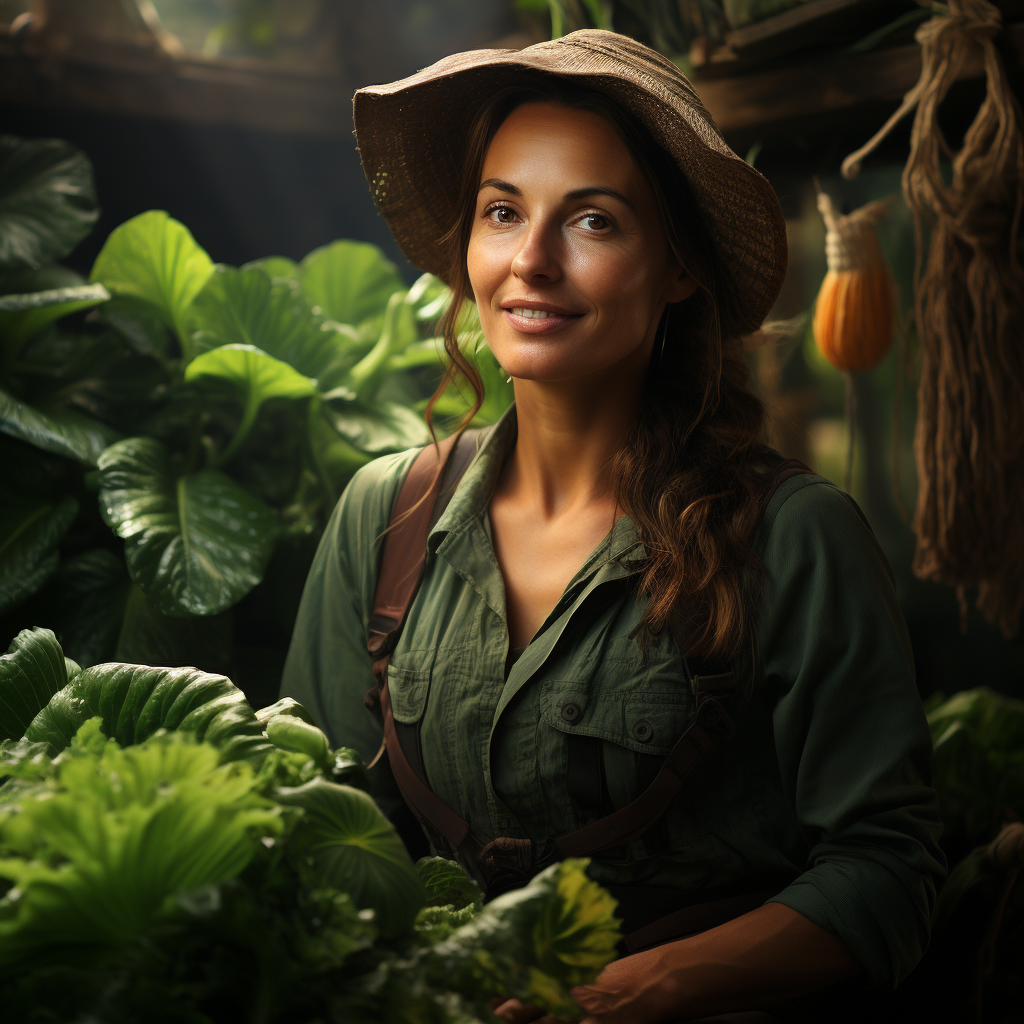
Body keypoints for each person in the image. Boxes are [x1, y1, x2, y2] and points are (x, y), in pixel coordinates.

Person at [281, 29, 946, 1024]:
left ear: (676, 267)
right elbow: (316, 821)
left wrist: (646, 986)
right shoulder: (385, 518)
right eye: (503, 211)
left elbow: (891, 870)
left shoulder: (792, 538)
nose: (532, 261)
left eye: (591, 220)